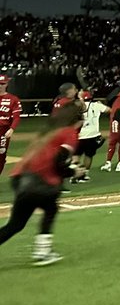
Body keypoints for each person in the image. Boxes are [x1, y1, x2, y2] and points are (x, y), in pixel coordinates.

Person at [0, 102, 83, 266]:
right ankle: (43, 252)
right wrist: (74, 172)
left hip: (19, 177)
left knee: (16, 224)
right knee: (51, 208)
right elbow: (59, 161)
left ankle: (43, 251)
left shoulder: (48, 132)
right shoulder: (69, 132)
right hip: (37, 180)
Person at [75, 90, 109, 180]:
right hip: (92, 135)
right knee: (88, 155)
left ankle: (75, 174)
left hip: (79, 135)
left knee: (76, 155)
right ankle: (85, 174)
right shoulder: (96, 105)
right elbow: (110, 110)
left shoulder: (77, 106)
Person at [0, 73, 22, 177]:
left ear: (6, 84)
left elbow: (16, 116)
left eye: (2, 83)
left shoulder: (13, 99)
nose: (0, 85)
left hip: (3, 130)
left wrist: (12, 129)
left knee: (1, 154)